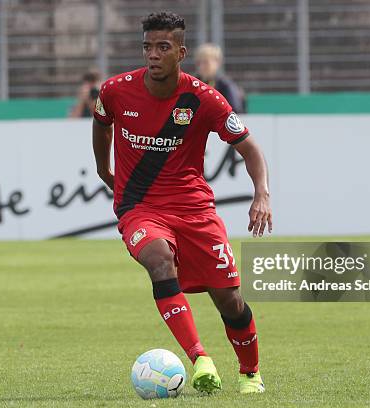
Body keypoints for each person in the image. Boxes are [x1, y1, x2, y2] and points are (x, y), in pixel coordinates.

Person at [92, 11, 271, 394]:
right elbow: (101, 120)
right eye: (147, 47)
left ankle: (250, 372)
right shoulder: (115, 90)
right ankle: (199, 358)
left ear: (181, 52)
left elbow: (250, 149)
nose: (152, 55)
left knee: (229, 299)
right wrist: (102, 169)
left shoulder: (203, 99)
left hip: (194, 210)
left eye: (162, 47)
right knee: (159, 261)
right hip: (139, 207)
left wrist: (262, 195)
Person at [194, 43, 246, 113]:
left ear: (217, 62)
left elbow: (235, 111)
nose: (201, 66)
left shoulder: (225, 85)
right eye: (199, 62)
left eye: (206, 62)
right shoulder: (193, 84)